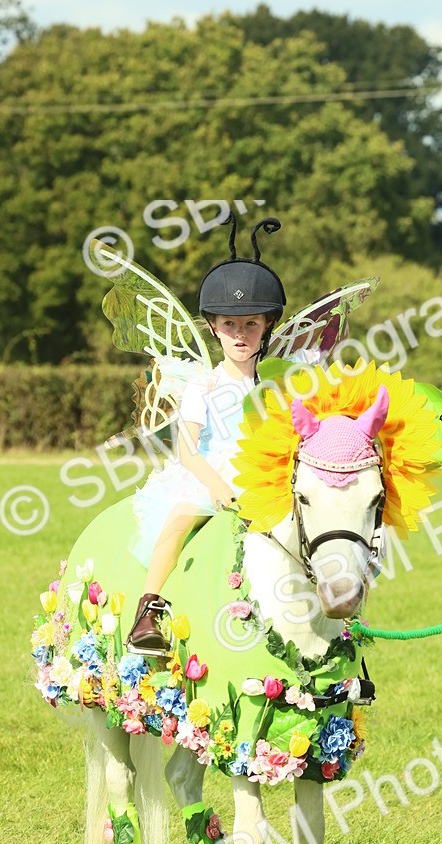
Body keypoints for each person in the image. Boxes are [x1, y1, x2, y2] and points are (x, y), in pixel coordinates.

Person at [127, 220, 286, 655]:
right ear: (214, 327)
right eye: (230, 324)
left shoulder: (277, 385)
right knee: (178, 516)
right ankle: (148, 611)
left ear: (267, 326)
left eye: (251, 324)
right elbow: (186, 449)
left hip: (264, 476)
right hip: (208, 474)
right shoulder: (204, 385)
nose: (240, 334)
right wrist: (216, 486)